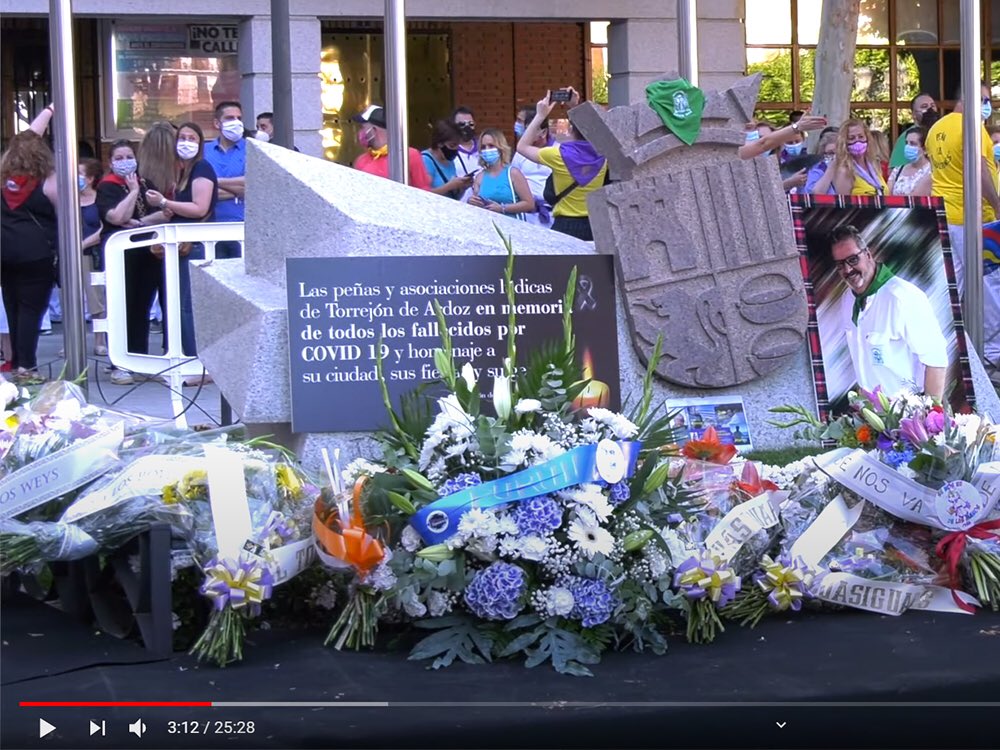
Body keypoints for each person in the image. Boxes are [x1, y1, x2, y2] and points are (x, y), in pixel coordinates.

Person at [829, 225, 947, 400]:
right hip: (872, 411)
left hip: (910, 408)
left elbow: (936, 360)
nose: (847, 270)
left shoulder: (903, 297)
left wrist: (929, 415)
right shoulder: (848, 299)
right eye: (840, 264)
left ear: (868, 254)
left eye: (853, 259)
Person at [96, 136, 170, 384]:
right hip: (120, 254)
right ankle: (119, 362)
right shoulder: (107, 186)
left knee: (142, 306)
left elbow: (164, 212)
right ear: (110, 162)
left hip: (147, 251)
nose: (125, 162)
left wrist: (139, 222)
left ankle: (139, 358)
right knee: (121, 305)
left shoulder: (146, 182)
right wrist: (133, 192)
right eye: (119, 158)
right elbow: (116, 217)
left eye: (129, 157)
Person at [146, 122, 218, 362]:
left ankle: (197, 362)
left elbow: (199, 208)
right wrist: (142, 221)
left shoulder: (201, 168)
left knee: (188, 306)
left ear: (200, 144)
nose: (186, 142)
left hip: (194, 244)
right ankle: (186, 357)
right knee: (178, 304)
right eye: (182, 137)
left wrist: (164, 203)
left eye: (192, 138)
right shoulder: (181, 172)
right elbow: (176, 211)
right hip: (179, 245)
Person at [0, 104, 58, 383]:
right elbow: (65, 218)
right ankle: (27, 367)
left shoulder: (3, 180)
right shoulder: (48, 182)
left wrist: (48, 111)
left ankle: (16, 364)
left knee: (13, 307)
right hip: (37, 255)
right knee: (32, 310)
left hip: (4, 253)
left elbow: (27, 139)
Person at [927, 82, 1000, 297]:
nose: (987, 106)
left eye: (989, 101)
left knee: (953, 286)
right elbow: (980, 171)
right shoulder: (972, 126)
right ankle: (991, 332)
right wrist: (997, 204)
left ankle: (950, 331)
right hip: (972, 217)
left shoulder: (935, 129)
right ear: (966, 98)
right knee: (988, 285)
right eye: (983, 100)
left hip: (945, 215)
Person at [517, 88, 607, 241]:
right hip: (594, 226)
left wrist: (540, 115)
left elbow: (522, 147)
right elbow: (594, 128)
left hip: (565, 225)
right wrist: (575, 106)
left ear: (571, 128)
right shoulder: (604, 155)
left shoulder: (558, 155)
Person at [351, 104, 431, 190]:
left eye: (362, 127)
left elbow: (424, 191)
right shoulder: (361, 160)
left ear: (374, 130)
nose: (360, 132)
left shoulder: (408, 155)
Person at [203, 100, 245, 259]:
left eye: (239, 118)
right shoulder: (203, 151)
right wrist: (237, 189)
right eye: (229, 118)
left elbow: (252, 187)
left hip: (243, 229)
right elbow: (197, 192)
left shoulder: (252, 150)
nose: (236, 122)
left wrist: (213, 182)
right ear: (217, 123)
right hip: (210, 229)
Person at [468, 129, 535, 219]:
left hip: (513, 226)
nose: (487, 150)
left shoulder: (513, 173)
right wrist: (472, 201)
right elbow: (477, 202)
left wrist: (502, 208)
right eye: (483, 147)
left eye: (491, 146)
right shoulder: (480, 177)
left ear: (500, 148)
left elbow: (529, 204)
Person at [813, 119, 886, 196]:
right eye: (852, 138)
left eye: (861, 136)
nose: (857, 141)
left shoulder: (874, 165)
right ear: (844, 142)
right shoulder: (844, 171)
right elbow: (845, 205)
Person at [79, 157, 107, 356]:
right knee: (70, 299)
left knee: (96, 299)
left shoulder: (100, 198)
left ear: (89, 178)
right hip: (71, 255)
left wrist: (83, 244)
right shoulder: (67, 199)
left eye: (79, 174)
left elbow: (104, 228)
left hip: (92, 253)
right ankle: (73, 340)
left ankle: (100, 340)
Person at [511, 104, 554, 228]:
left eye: (521, 121)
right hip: (526, 216)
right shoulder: (519, 155)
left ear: (543, 131)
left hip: (552, 215)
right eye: (516, 120)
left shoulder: (558, 151)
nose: (516, 125)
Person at [420, 119, 472, 199]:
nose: (455, 149)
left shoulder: (449, 161)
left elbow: (454, 197)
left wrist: (462, 188)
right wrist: (449, 186)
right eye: (452, 145)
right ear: (440, 143)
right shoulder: (426, 160)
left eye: (458, 145)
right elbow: (423, 194)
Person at [888, 93, 938, 169]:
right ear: (914, 114)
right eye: (924, 106)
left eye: (932, 106)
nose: (930, 109)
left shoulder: (940, 131)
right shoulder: (907, 137)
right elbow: (895, 171)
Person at [887, 127, 931, 197]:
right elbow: (887, 194)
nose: (908, 146)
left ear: (924, 149)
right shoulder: (898, 169)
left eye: (913, 143)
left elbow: (915, 199)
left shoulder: (930, 171)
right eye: (906, 143)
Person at [806, 129, 839, 194]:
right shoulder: (818, 169)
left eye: (838, 153)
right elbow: (814, 194)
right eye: (831, 153)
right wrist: (831, 169)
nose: (835, 157)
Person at [451, 106, 479, 179]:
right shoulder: (448, 151)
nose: (467, 128)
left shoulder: (484, 147)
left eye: (471, 124)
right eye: (461, 124)